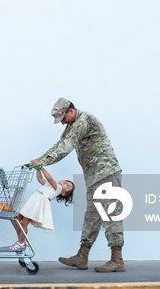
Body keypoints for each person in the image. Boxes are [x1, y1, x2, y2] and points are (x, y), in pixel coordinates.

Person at [29, 97, 125, 272]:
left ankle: (117, 260)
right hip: (94, 176)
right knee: (92, 216)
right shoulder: (71, 126)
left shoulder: (84, 121)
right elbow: (59, 144)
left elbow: (66, 147)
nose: (62, 123)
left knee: (111, 214)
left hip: (106, 173)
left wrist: (43, 162)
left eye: (63, 119)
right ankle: (82, 256)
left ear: (70, 111)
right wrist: (40, 160)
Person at [9, 166, 74, 250]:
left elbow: (50, 179)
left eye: (68, 185)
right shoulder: (49, 185)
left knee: (24, 223)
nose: (66, 182)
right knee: (16, 219)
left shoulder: (58, 188)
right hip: (31, 202)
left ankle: (21, 242)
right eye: (66, 181)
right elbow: (40, 178)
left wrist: (42, 168)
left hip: (37, 204)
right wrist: (38, 169)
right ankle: (21, 240)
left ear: (64, 193)